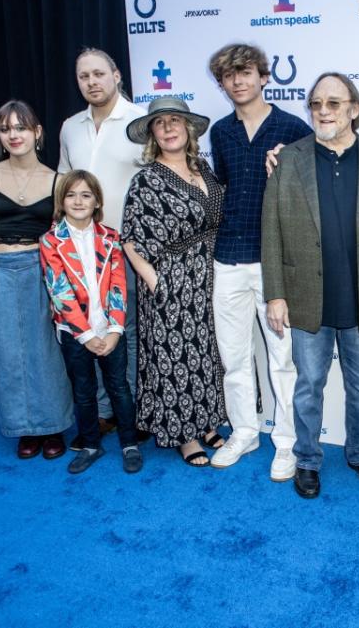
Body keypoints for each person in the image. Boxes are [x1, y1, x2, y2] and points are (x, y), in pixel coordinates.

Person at [262, 72, 359, 498]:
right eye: (316, 103)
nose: (323, 111)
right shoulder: (289, 158)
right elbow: (271, 229)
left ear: (354, 109)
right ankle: (308, 460)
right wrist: (275, 293)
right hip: (305, 297)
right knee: (308, 385)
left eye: (334, 103)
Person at [207, 43, 311, 474]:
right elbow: (226, 189)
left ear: (264, 77)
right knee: (233, 355)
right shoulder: (219, 131)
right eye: (229, 76)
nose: (239, 81)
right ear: (223, 84)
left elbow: (307, 199)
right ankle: (245, 432)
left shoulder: (293, 126)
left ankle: (286, 442)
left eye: (246, 72)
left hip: (275, 263)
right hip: (228, 256)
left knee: (282, 359)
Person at [0, 100, 73, 459]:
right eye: (6, 129)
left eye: (21, 127)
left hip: (42, 272)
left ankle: (53, 425)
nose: (14, 135)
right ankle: (24, 429)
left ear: (37, 132)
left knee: (46, 352)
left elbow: (63, 239)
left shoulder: (58, 181)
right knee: (6, 353)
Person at [122, 96, 227, 467]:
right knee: (174, 354)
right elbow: (131, 239)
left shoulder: (204, 168)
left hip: (209, 274)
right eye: (160, 122)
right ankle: (184, 434)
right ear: (152, 133)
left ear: (188, 128)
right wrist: (155, 282)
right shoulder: (146, 179)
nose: (168, 127)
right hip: (170, 278)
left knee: (205, 350)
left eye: (174, 120)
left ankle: (208, 419)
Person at [58, 47, 145, 445]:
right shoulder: (69, 127)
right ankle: (103, 412)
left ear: (116, 75)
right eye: (83, 76)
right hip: (77, 250)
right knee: (85, 328)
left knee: (123, 330)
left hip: (124, 249)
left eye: (98, 74)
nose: (91, 82)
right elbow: (62, 185)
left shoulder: (140, 122)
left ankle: (128, 409)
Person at [39, 170, 142, 474]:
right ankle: (91, 445)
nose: (78, 200)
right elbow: (60, 292)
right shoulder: (49, 241)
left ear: (97, 201)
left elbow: (118, 285)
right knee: (83, 390)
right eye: (71, 195)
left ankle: (129, 443)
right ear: (61, 201)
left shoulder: (110, 237)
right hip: (74, 334)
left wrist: (113, 330)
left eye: (86, 194)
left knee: (119, 387)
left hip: (110, 330)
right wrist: (84, 334)